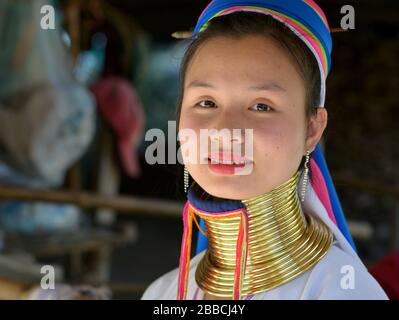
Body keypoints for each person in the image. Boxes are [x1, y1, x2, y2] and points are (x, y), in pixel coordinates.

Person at [141, 0, 388, 300]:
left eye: (261, 106)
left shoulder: (342, 290)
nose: (224, 132)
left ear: (312, 129)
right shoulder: (162, 293)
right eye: (206, 102)